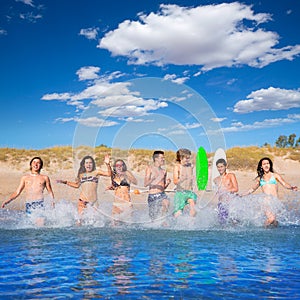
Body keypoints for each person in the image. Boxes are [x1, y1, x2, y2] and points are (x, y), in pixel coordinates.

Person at [241, 157, 297, 227]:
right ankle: (262, 231)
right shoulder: (260, 178)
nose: (266, 165)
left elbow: (284, 184)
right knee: (271, 219)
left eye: (268, 163)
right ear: (261, 166)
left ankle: (272, 236)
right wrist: (242, 195)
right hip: (266, 202)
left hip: (275, 202)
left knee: (275, 222)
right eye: (264, 164)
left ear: (270, 165)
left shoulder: (275, 175)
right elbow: (252, 189)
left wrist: (291, 187)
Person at [1, 156, 55, 226]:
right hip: (29, 205)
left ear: (41, 166)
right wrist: (7, 201)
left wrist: (52, 202)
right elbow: (17, 192)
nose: (36, 164)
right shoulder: (25, 178)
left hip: (40, 205)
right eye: (34, 162)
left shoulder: (45, 178)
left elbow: (50, 192)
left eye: (38, 163)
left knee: (40, 226)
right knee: (31, 228)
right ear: (31, 165)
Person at [57, 155, 111, 222]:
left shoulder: (97, 172)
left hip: (93, 202)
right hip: (82, 201)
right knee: (79, 222)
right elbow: (77, 185)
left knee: (95, 223)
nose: (89, 164)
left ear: (93, 164)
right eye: (87, 163)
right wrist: (65, 182)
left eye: (90, 163)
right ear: (84, 165)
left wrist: (108, 164)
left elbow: (109, 174)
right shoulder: (81, 175)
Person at [144, 150, 171, 221]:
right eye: (162, 158)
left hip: (162, 194)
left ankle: (163, 220)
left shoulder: (164, 171)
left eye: (163, 157)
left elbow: (163, 187)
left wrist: (167, 183)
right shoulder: (149, 169)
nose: (163, 159)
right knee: (153, 217)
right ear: (156, 159)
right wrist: (153, 178)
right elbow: (145, 184)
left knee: (166, 203)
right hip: (152, 195)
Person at [173, 148, 197, 217]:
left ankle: (191, 224)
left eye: (189, 158)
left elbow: (191, 179)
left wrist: (193, 179)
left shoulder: (191, 166)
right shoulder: (177, 167)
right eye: (186, 158)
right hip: (180, 193)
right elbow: (175, 181)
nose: (188, 160)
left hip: (189, 192)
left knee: (193, 208)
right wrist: (182, 179)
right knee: (178, 213)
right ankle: (175, 224)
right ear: (180, 158)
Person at [213, 158, 238, 223]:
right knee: (222, 223)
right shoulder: (215, 180)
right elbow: (217, 194)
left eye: (221, 167)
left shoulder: (231, 175)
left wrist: (224, 190)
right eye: (218, 167)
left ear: (225, 166)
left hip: (231, 203)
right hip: (221, 204)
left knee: (234, 222)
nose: (220, 169)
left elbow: (236, 189)